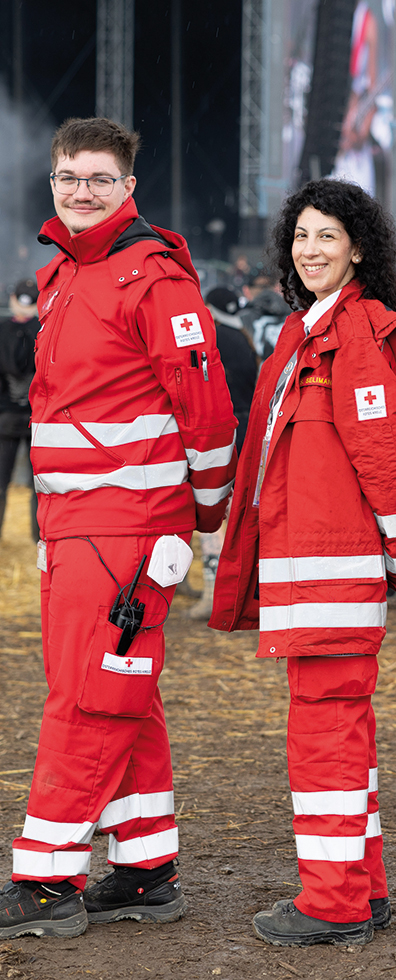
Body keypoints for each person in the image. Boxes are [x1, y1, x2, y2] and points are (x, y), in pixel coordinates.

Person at [0, 117, 237, 940]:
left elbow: (207, 415)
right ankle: (143, 869)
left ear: (129, 188)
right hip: (73, 524)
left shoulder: (154, 278)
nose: (82, 192)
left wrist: (206, 529)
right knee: (120, 695)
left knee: (88, 697)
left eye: (100, 179)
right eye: (69, 178)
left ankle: (45, 880)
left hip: (129, 526)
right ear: (54, 182)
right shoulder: (62, 271)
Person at [209, 178, 396, 947]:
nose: (310, 249)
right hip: (311, 575)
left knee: (325, 741)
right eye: (301, 236)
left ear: (357, 248)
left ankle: (334, 904)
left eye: (327, 236)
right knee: (344, 736)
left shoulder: (351, 338)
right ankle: (361, 892)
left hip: (330, 579)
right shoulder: (306, 334)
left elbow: (390, 460)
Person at [185, 287, 260, 622]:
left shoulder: (212, 336)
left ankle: (214, 593)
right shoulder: (244, 338)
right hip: (248, 428)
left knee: (213, 509)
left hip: (222, 431)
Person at [0, 278, 41, 541]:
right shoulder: (44, 330)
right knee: (40, 485)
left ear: (13, 299)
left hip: (4, 416)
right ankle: (41, 539)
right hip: (38, 419)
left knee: (0, 484)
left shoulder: (1, 329)